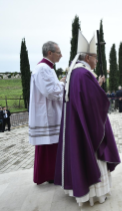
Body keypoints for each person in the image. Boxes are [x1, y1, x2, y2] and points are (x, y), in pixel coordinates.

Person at [54, 31, 120, 207]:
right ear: (88, 57)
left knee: (79, 152)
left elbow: (82, 97)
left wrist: (95, 86)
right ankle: (94, 193)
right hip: (87, 126)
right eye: (96, 58)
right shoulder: (83, 74)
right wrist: (99, 89)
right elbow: (93, 102)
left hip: (77, 122)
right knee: (92, 153)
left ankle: (80, 188)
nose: (96, 61)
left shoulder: (75, 73)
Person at [28, 41, 65, 185]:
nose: (61, 55)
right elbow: (50, 92)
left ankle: (50, 175)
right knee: (48, 145)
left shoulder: (47, 68)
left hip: (49, 113)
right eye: (58, 52)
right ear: (50, 53)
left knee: (50, 146)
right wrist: (62, 83)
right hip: (47, 115)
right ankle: (49, 175)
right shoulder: (43, 68)